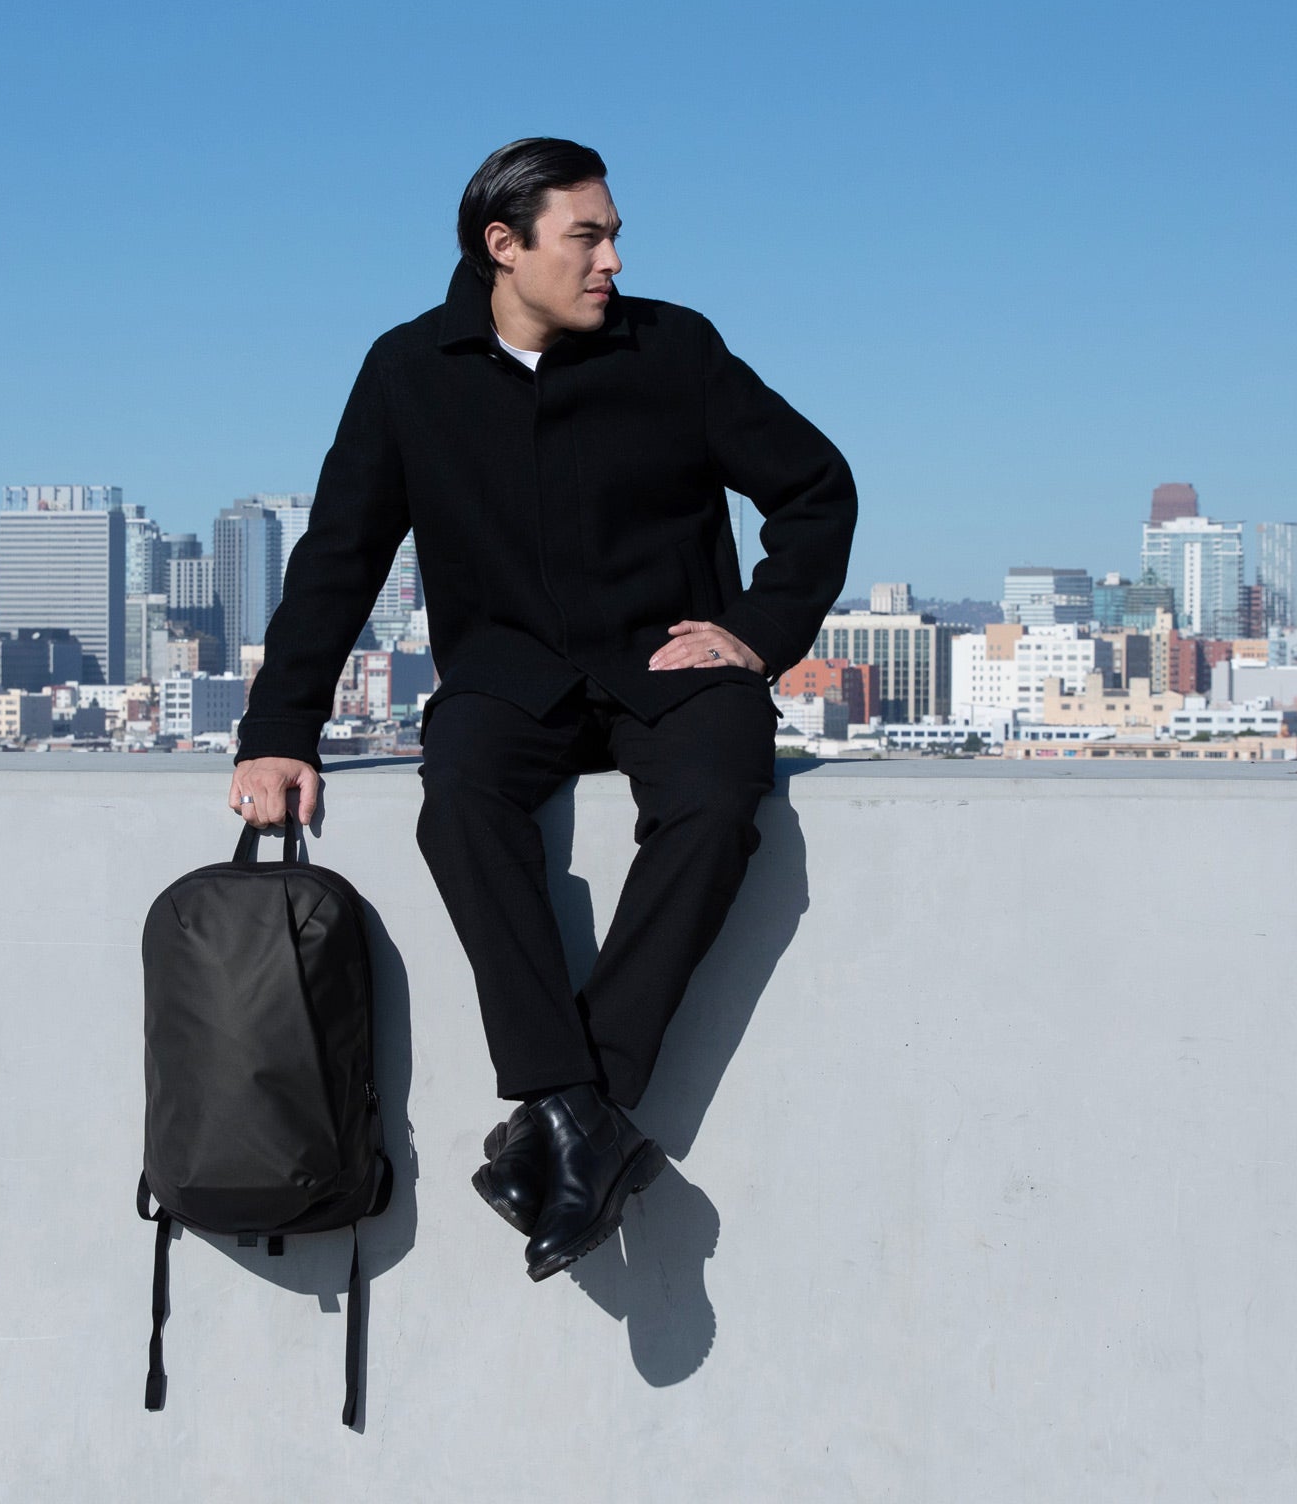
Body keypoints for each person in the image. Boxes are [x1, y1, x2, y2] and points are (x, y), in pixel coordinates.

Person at [228, 137, 856, 1282]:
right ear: (503, 246)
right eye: (587, 236)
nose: (612, 260)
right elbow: (340, 558)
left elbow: (815, 487)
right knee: (459, 806)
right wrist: (278, 733)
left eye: (613, 236)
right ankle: (578, 1118)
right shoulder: (408, 370)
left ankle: (566, 1115)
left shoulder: (674, 347)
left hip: (670, 668)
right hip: (506, 678)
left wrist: (756, 634)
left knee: (718, 805)